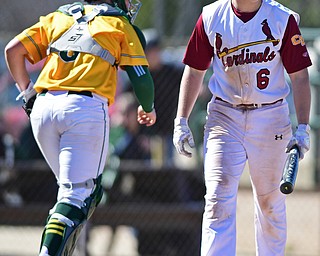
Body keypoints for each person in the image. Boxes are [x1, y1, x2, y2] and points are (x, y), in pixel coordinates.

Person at [4, 0, 156, 255]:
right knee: (81, 195)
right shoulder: (119, 23)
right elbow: (142, 81)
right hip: (84, 108)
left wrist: (28, 94)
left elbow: (13, 51)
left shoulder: (61, 15)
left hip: (43, 108)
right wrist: (148, 108)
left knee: (71, 196)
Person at [173, 0, 312, 255]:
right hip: (224, 115)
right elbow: (194, 71)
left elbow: (300, 76)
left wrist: (303, 126)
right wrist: (181, 119)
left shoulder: (282, 18)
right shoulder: (212, 16)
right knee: (217, 199)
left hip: (270, 115)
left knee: (270, 203)